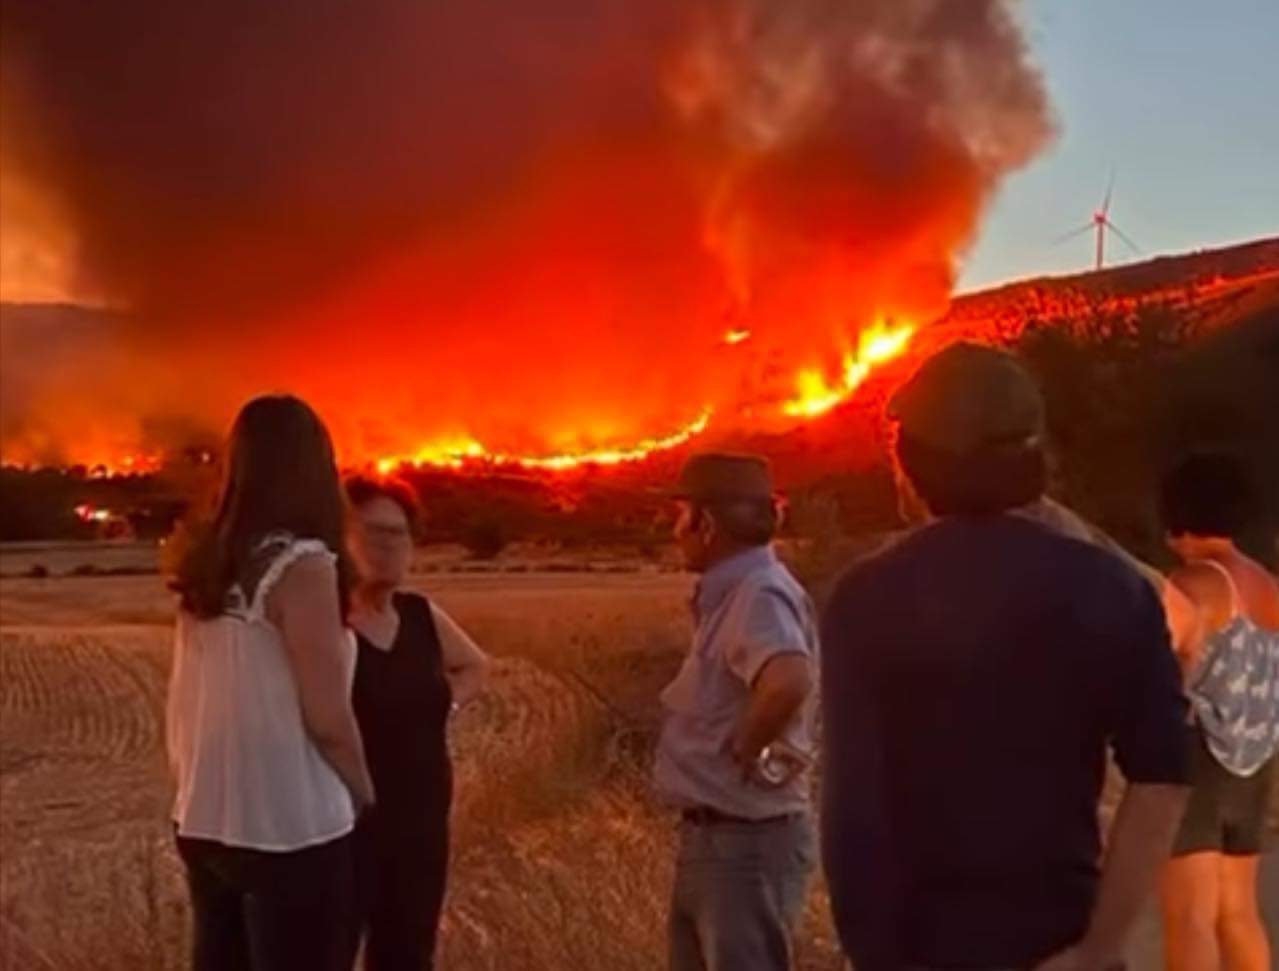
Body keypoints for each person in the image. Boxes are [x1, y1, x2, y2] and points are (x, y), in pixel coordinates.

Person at [820, 342, 1191, 971]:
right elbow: (1164, 774)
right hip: (1060, 937)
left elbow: (853, 814)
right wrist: (1100, 948)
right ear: (1031, 456)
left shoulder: (866, 599)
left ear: (911, 463)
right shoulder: (1109, 586)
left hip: (921, 949)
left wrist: (872, 954)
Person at [166, 395, 375, 971]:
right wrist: (363, 792)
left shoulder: (207, 564)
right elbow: (328, 719)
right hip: (291, 825)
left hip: (205, 819)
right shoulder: (302, 567)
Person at [654, 452, 820, 971]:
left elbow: (789, 676)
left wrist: (747, 747)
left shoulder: (757, 593)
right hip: (723, 842)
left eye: (680, 516)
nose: (675, 530)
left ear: (706, 523)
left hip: (742, 845)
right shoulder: (739, 592)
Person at [345, 475, 490, 971]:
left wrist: (442, 706)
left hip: (420, 821)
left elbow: (476, 666)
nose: (387, 545)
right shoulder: (324, 621)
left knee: (407, 954)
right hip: (342, 821)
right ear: (341, 538)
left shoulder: (420, 615)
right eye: (372, 532)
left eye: (398, 533)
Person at [1157, 453, 1279, 971]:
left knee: (1190, 918)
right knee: (1238, 913)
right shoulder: (1269, 587)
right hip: (1256, 763)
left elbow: (1149, 666)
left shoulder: (1193, 586)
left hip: (1199, 761)